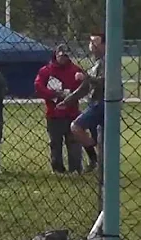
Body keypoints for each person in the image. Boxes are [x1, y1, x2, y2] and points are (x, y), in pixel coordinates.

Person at [34, 45, 84, 174]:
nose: (63, 58)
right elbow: (38, 86)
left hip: (72, 113)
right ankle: (57, 168)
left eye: (66, 56)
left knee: (74, 143)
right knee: (55, 143)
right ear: (55, 55)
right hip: (54, 114)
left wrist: (72, 94)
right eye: (60, 55)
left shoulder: (75, 70)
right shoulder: (46, 71)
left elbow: (83, 88)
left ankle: (75, 168)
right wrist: (53, 94)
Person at [60, 33, 106, 173]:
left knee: (76, 126)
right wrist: (67, 101)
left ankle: (96, 154)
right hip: (94, 102)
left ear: (104, 45)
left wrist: (85, 77)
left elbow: (104, 82)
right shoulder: (96, 62)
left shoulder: (107, 62)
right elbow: (84, 88)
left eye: (96, 42)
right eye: (91, 42)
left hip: (102, 103)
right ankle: (99, 163)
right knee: (99, 137)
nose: (93, 46)